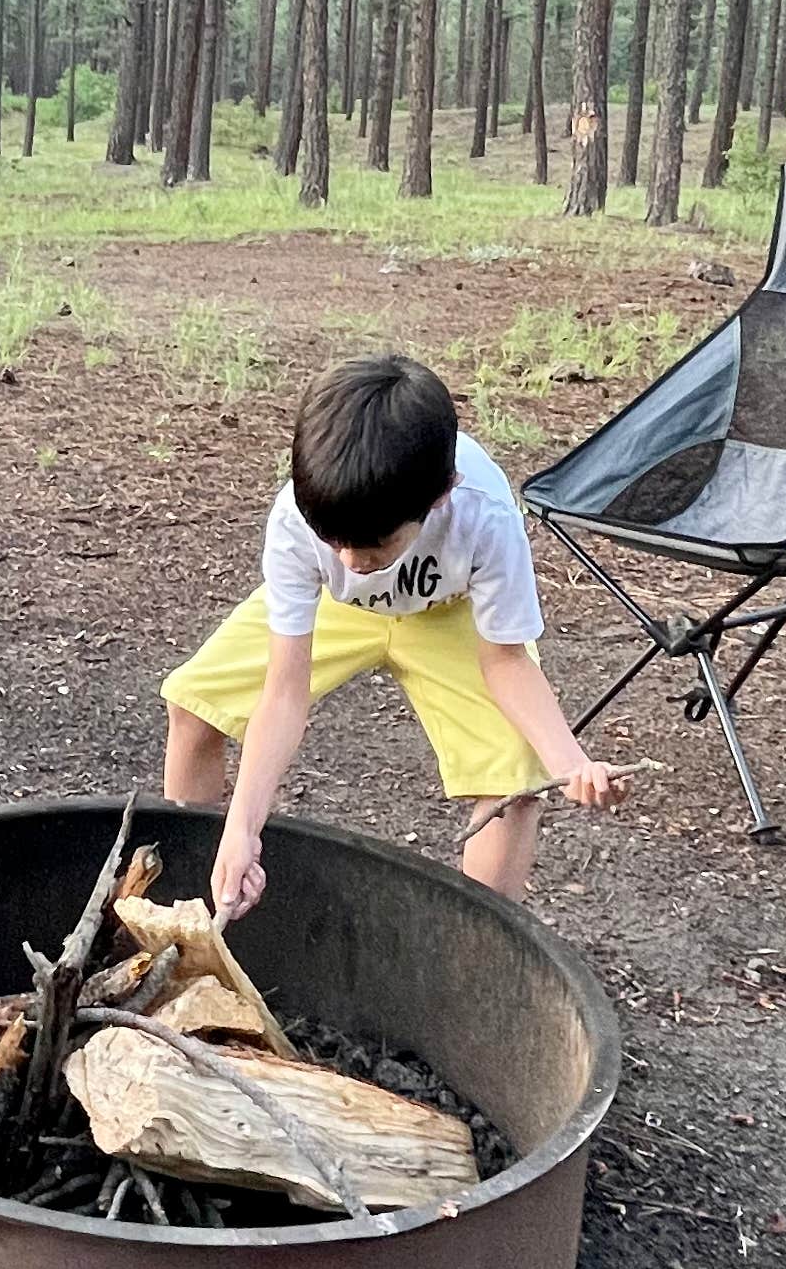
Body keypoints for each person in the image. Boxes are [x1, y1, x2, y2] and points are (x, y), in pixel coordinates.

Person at [162, 350, 621, 919]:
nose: (353, 561)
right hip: (339, 611)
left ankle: (480, 951)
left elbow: (506, 661)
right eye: (335, 543)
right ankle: (188, 908)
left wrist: (571, 763)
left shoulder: (484, 513)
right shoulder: (298, 522)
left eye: (373, 548)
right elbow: (284, 693)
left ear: (440, 496)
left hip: (449, 614)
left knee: (513, 778)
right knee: (195, 703)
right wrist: (242, 828)